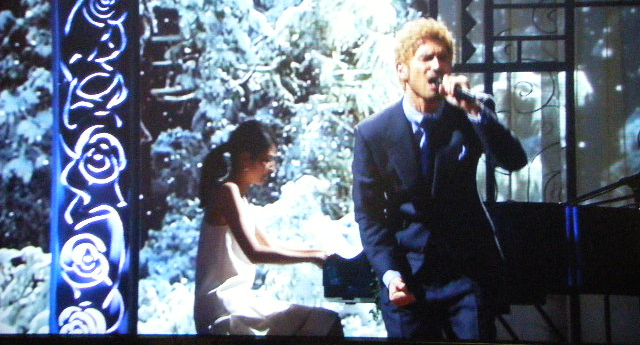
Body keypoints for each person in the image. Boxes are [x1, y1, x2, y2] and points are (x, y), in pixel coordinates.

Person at [352, 17, 527, 340]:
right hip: (408, 274)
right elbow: (369, 215)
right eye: (426, 58)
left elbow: (514, 160)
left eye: (443, 58)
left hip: (467, 273)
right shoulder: (373, 133)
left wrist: (473, 110)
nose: (437, 66)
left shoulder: (470, 112)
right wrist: (391, 275)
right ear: (402, 70)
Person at [194, 120, 343, 336]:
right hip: (223, 309)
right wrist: (313, 257)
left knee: (324, 322)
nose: (272, 168)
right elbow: (255, 253)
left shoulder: (241, 198)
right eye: (267, 160)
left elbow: (269, 245)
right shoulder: (228, 192)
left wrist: (318, 253)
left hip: (237, 302)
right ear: (246, 159)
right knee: (325, 322)